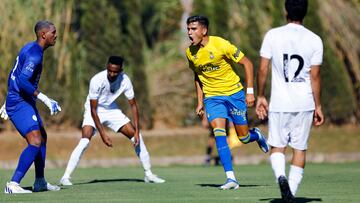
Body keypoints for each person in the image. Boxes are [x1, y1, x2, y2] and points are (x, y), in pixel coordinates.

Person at [185, 15, 269, 190]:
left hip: (234, 94)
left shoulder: (221, 44)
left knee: (244, 137)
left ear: (204, 30)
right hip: (212, 98)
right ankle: (231, 178)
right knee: (219, 133)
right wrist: (200, 102)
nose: (189, 32)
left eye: (193, 29)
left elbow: (247, 64)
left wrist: (250, 92)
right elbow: (197, 76)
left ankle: (257, 135)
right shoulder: (190, 52)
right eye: (188, 29)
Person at [256, 0, 324, 202]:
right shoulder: (315, 39)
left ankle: (281, 177)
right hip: (304, 103)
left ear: (286, 11)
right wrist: (318, 106)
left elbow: (262, 69)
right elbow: (315, 76)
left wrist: (260, 96)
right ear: (305, 12)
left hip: (279, 102)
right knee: (299, 148)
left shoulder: (273, 35)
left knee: (277, 147)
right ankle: (291, 193)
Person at [59, 56, 165, 186]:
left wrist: (137, 131)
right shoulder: (97, 80)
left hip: (111, 110)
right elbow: (93, 110)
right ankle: (65, 177)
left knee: (137, 138)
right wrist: (103, 135)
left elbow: (133, 106)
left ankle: (148, 174)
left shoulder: (125, 81)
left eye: (115, 72)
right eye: (110, 70)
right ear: (107, 67)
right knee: (85, 141)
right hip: (94, 109)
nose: (112, 74)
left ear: (121, 71)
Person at [0, 20, 61, 194]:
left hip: (19, 99)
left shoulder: (28, 47)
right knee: (35, 141)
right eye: (53, 32)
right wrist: (44, 98)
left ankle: (40, 181)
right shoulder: (35, 55)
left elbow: (14, 73)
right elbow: (22, 80)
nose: (56, 35)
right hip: (20, 102)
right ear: (44, 35)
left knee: (42, 136)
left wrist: (6, 99)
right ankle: (13, 184)